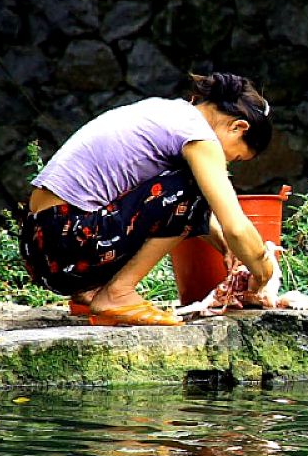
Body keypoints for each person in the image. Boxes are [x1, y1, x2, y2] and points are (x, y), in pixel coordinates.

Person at [20, 71, 277, 326]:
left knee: (191, 190)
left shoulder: (167, 113)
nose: (228, 162)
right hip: (69, 240)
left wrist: (226, 246)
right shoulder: (198, 136)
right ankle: (118, 293)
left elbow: (175, 209)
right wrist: (263, 270)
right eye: (237, 157)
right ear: (238, 127)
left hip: (42, 247)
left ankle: (90, 291)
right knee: (193, 185)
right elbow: (235, 225)